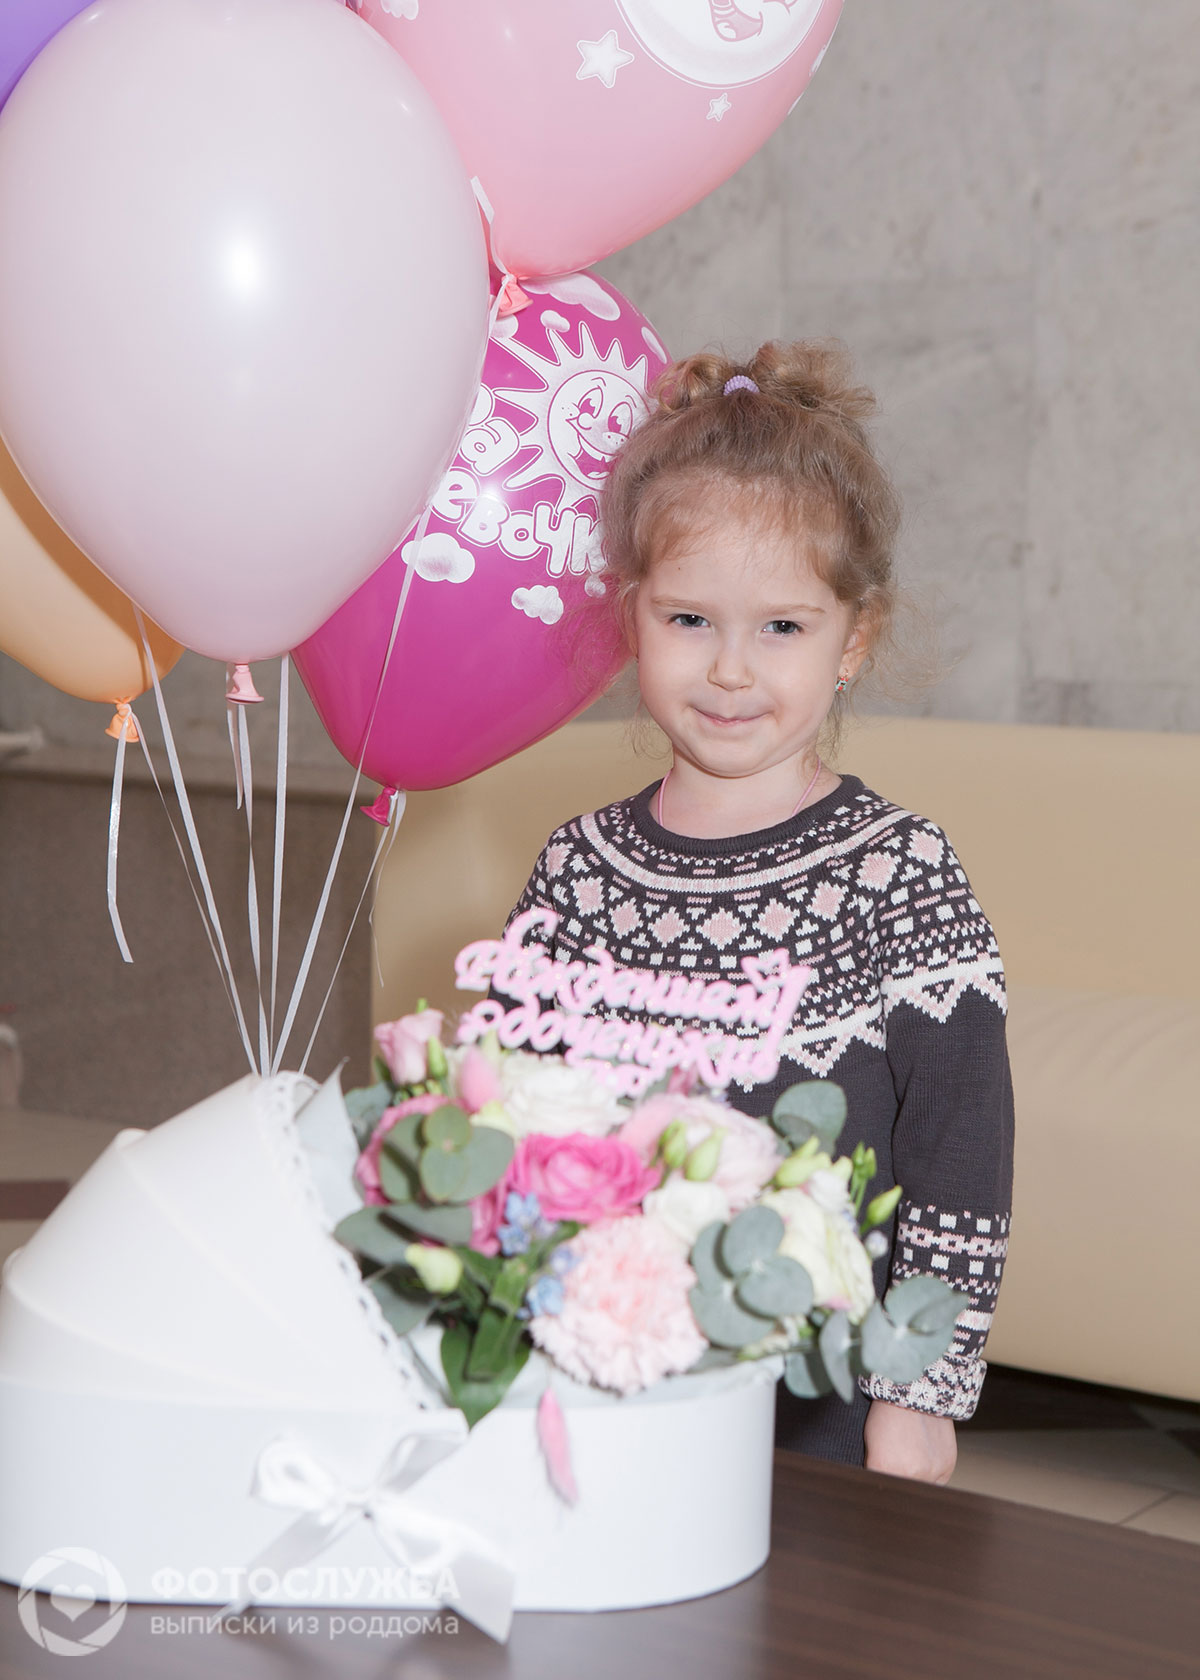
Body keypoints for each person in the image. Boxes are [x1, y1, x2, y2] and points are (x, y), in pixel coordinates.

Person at [493, 340, 1014, 1481]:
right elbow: (521, 1131)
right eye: (689, 620)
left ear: (852, 640)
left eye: (781, 627)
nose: (731, 670)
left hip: (818, 1413)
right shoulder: (577, 869)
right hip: (602, 1389)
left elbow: (960, 1153)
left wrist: (919, 1393)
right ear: (631, 617)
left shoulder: (899, 872)